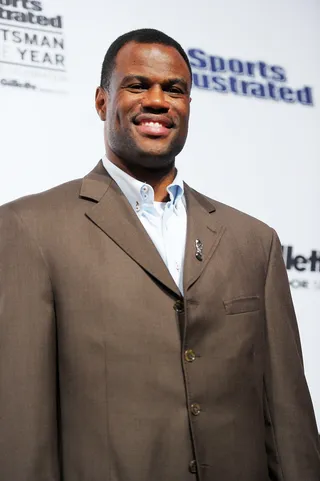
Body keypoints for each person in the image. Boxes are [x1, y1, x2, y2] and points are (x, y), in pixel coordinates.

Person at [0, 28, 319, 481]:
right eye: (137, 85)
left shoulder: (255, 242)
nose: (157, 100)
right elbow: (20, 427)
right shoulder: (28, 228)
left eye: (174, 89)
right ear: (101, 102)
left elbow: (288, 423)